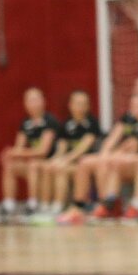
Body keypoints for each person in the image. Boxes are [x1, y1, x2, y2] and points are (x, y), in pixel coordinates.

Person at [91, 92, 138, 221]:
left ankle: (137, 205)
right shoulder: (133, 125)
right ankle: (109, 202)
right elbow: (128, 148)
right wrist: (118, 154)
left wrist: (134, 156)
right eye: (133, 106)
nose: (136, 109)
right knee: (115, 164)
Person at [0, 87, 59, 224]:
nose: (33, 103)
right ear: (25, 104)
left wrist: (17, 152)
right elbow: (19, 148)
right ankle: (8, 206)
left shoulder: (50, 121)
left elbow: (43, 151)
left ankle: (33, 205)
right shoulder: (25, 123)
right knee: (10, 165)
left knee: (33, 163)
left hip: (49, 162)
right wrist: (10, 154)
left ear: (43, 101)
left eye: (36, 99)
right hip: (33, 162)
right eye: (30, 100)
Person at [48, 90, 103, 226]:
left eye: (84, 103)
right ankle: (46, 205)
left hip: (87, 165)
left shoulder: (92, 123)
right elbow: (62, 146)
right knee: (49, 167)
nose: (81, 106)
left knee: (63, 169)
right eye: (78, 103)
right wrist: (56, 159)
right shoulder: (66, 124)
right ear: (70, 105)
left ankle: (63, 206)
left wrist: (65, 160)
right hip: (72, 163)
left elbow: (82, 148)